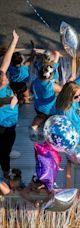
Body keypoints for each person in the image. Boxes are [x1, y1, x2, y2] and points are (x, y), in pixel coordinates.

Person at [0, 30, 20, 178]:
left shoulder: (1, 79)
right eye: (5, 79)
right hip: (4, 126)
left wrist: (14, 41)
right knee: (4, 154)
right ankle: (6, 174)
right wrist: (11, 104)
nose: (7, 78)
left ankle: (8, 150)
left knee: (7, 147)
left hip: (10, 122)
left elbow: (5, 62)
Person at [29, 64, 62, 141]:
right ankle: (46, 132)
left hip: (38, 107)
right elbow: (62, 90)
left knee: (40, 117)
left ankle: (33, 128)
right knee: (53, 119)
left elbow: (31, 90)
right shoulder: (51, 85)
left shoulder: (35, 82)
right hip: (50, 110)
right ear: (51, 76)